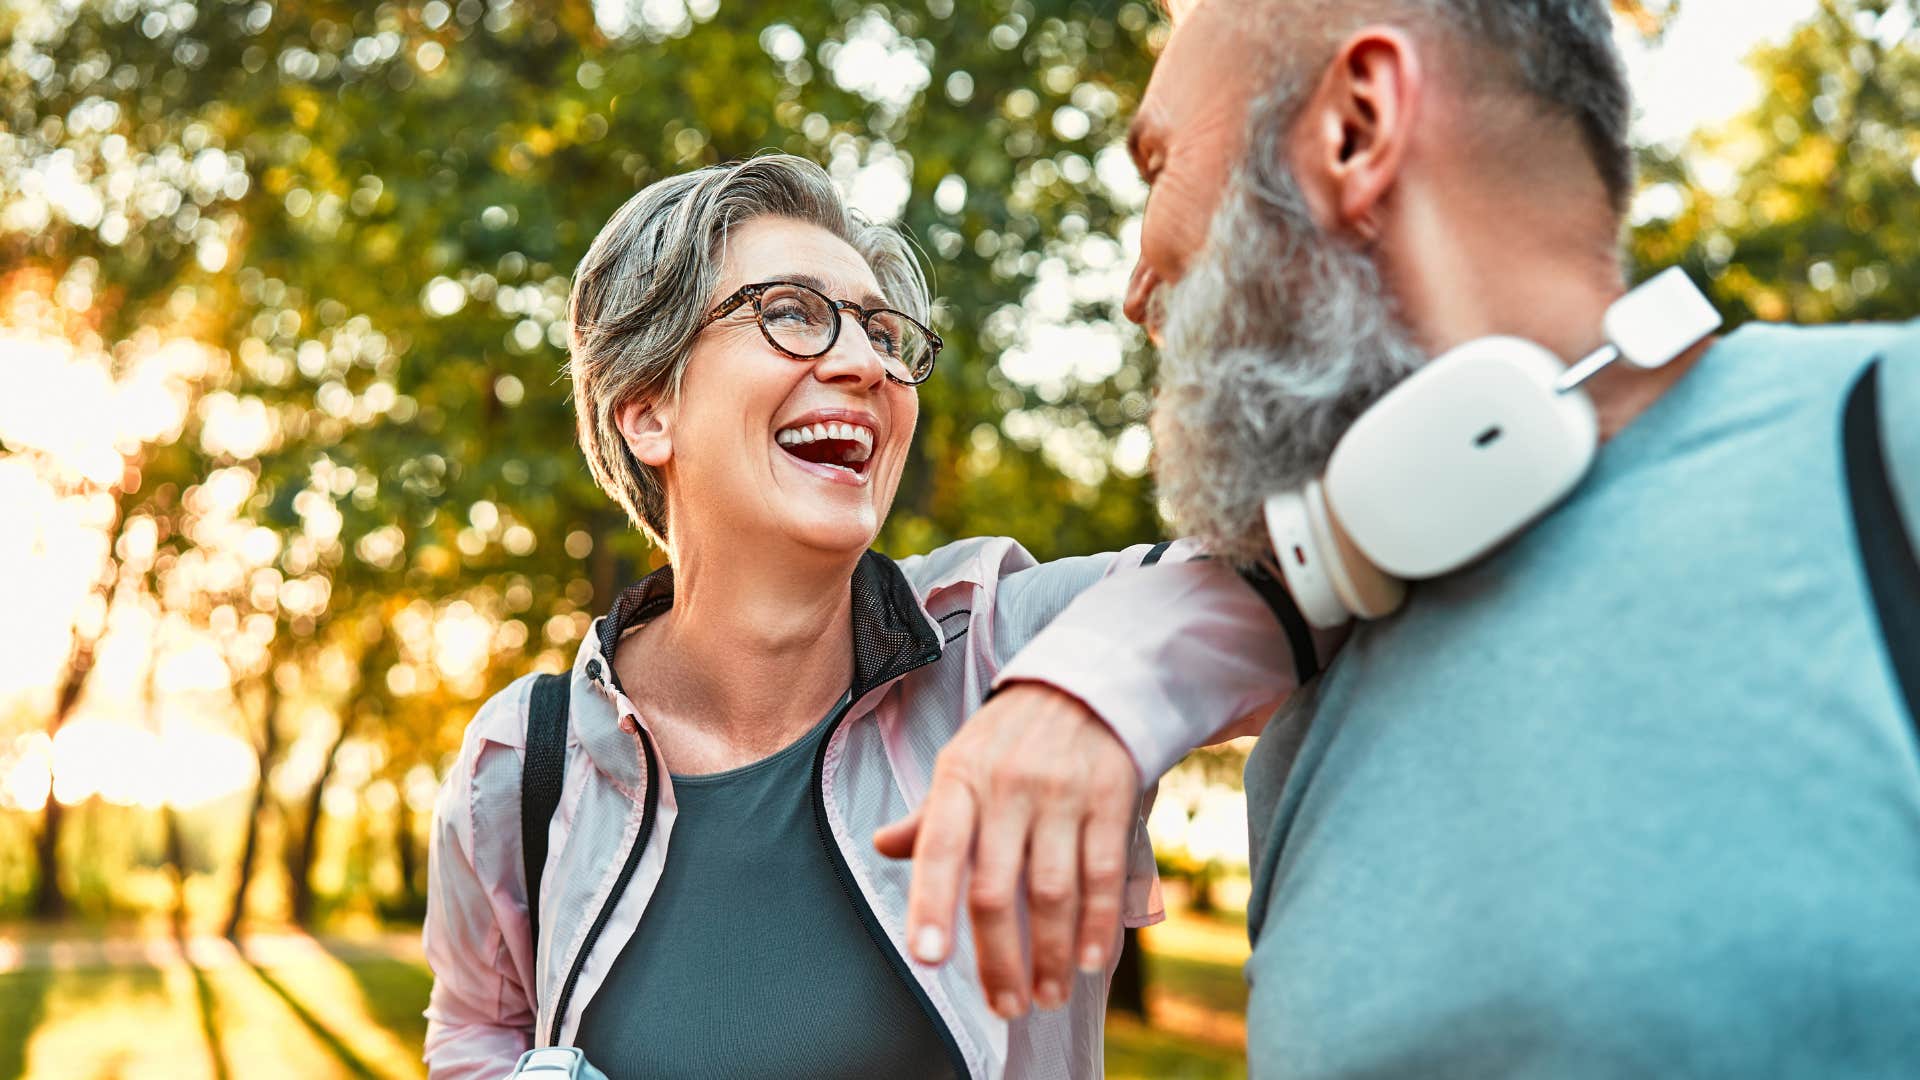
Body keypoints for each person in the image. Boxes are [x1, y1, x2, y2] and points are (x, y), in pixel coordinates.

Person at [895, 0, 1920, 1075]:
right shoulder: (1319, 682)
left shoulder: (1884, 445)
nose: (1133, 288)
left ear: (1354, 128)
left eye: (1157, 165)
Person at [419, 153, 1307, 1080]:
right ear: (647, 412)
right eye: (790, 313)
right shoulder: (523, 765)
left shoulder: (1007, 646)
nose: (864, 363)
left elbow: (1301, 567)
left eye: (884, 332)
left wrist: (1081, 695)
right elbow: (475, 1031)